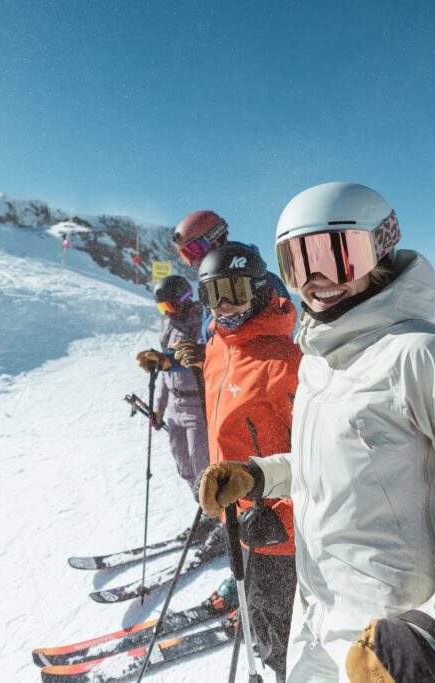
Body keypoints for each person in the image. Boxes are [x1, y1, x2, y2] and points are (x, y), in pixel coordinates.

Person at [197, 182, 435, 682]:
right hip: (320, 638)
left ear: (382, 250)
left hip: (405, 657)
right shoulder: (318, 365)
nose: (316, 279)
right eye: (298, 262)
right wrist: (260, 476)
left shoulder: (428, 357)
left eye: (336, 256)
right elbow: (335, 466)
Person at [196, 243, 301, 682]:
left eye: (235, 291)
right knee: (257, 610)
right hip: (236, 513)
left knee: (285, 633)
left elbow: (320, 457)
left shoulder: (288, 364)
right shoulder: (218, 348)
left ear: (259, 290)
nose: (224, 306)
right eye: (211, 294)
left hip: (281, 532)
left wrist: (285, 518)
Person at [134, 275, 210, 489]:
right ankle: (202, 511)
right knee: (183, 464)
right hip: (174, 408)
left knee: (201, 465)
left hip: (196, 405)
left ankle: (214, 514)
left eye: (171, 305)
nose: (168, 311)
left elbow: (193, 359)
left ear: (186, 299)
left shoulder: (201, 324)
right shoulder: (168, 330)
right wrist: (159, 409)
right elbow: (166, 377)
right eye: (162, 307)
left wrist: (165, 359)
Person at [172, 210, 291, 341]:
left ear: (217, 238)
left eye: (195, 250)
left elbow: (275, 339)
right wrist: (204, 355)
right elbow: (214, 333)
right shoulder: (210, 286)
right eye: (187, 256)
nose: (195, 261)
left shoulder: (263, 282)